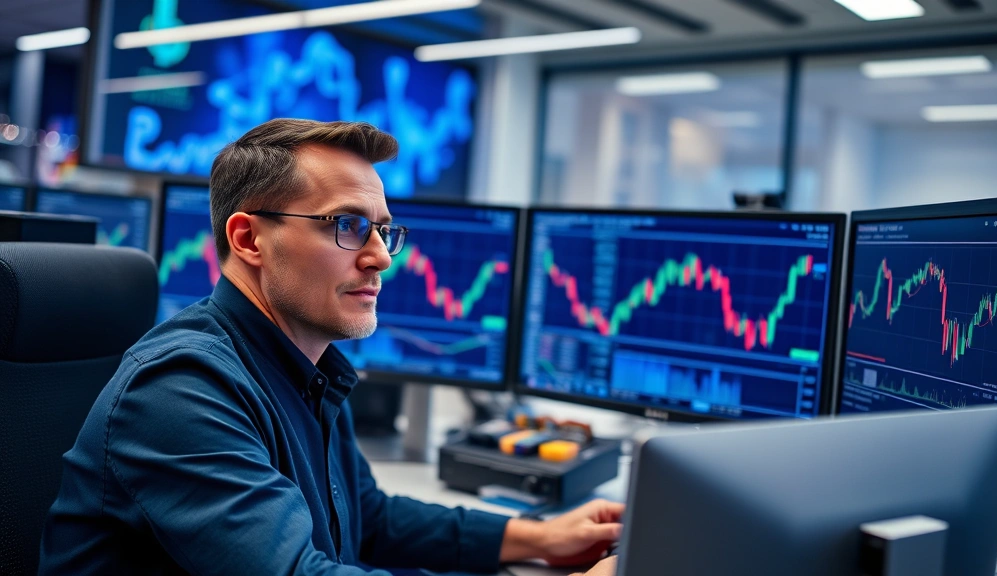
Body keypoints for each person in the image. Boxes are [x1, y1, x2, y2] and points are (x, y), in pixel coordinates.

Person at [38, 119, 622, 575]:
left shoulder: (307, 364)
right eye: (346, 226)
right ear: (249, 239)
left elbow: (366, 516)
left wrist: (539, 537)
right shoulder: (180, 388)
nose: (381, 257)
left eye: (383, 229)